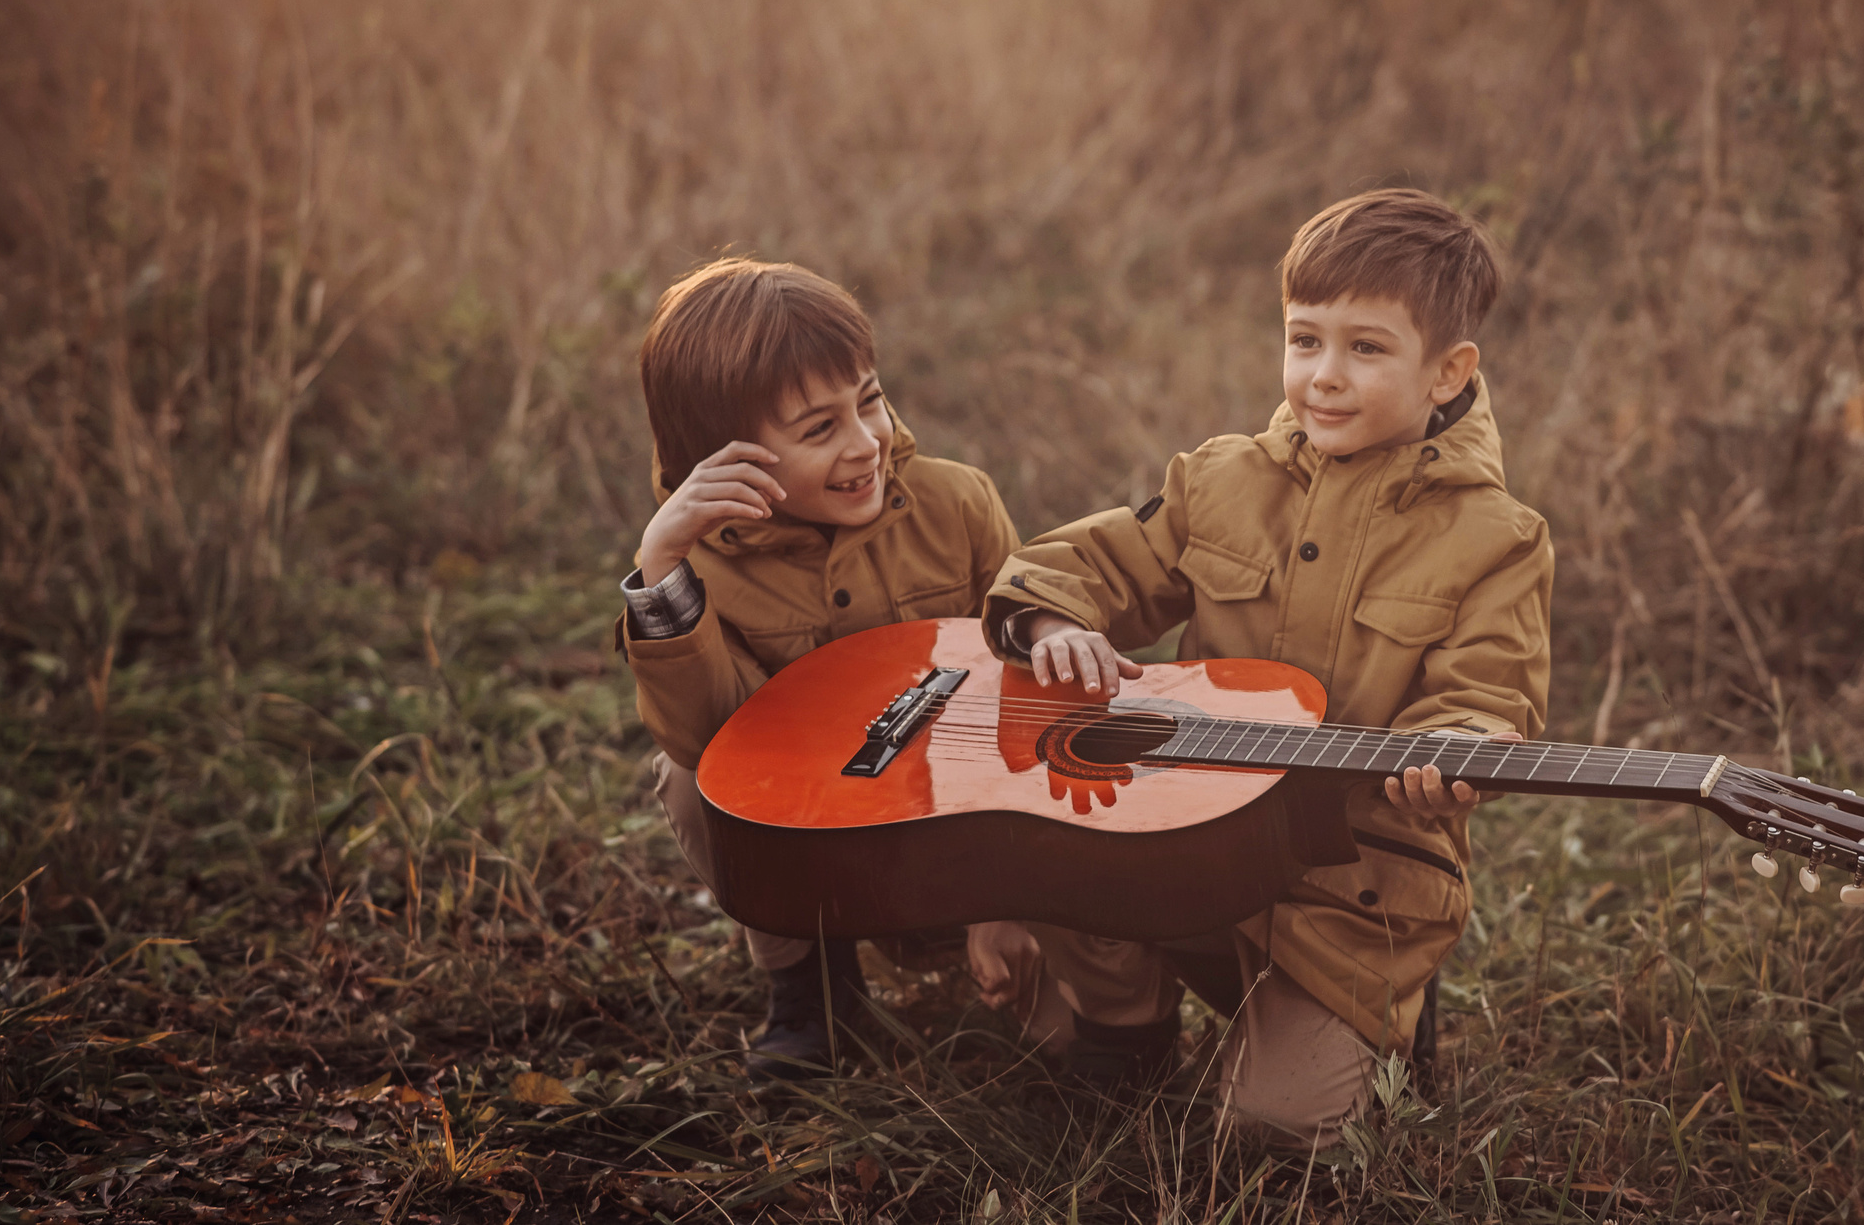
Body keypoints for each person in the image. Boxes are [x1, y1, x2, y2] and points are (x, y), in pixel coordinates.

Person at [982, 188, 1552, 1147]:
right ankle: (1130, 1030)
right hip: (1188, 842)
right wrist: (1048, 620)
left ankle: (1371, 1019)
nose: (1323, 376)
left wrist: (1458, 743)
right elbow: (1087, 562)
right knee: (1054, 854)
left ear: (1447, 371)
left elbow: (1487, 690)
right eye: (1304, 340)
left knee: (1269, 1129)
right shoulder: (1222, 478)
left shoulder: (1496, 539)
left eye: (1366, 348)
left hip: (1349, 888)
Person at [617, 258, 1059, 1078]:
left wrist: (1010, 901)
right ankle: (813, 993)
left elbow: (1026, 700)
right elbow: (705, 734)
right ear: (729, 458)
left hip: (966, 837)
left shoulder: (955, 503)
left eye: (870, 399)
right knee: (689, 775)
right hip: (822, 850)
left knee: (1065, 1043)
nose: (866, 443)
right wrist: (661, 567)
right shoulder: (700, 564)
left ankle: (1016, 945)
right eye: (818, 430)